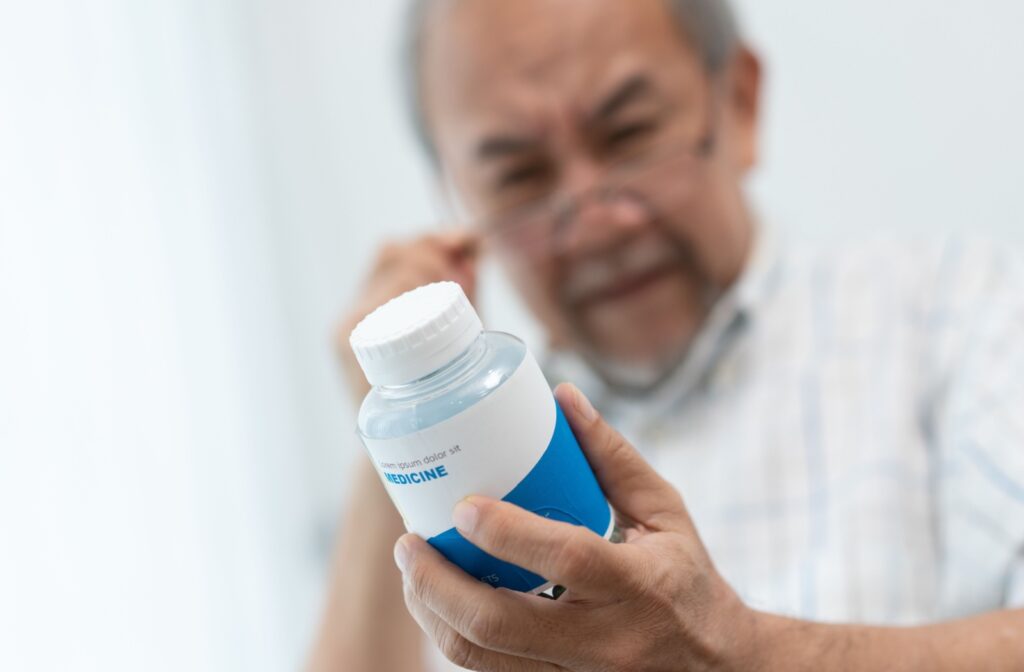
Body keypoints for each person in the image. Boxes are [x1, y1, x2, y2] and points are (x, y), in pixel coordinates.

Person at [308, 0, 1024, 670]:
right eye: (521, 175)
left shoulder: (961, 310)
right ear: (457, 200)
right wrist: (399, 439)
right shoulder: (485, 456)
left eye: (630, 136)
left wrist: (739, 652)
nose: (595, 219)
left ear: (738, 103)